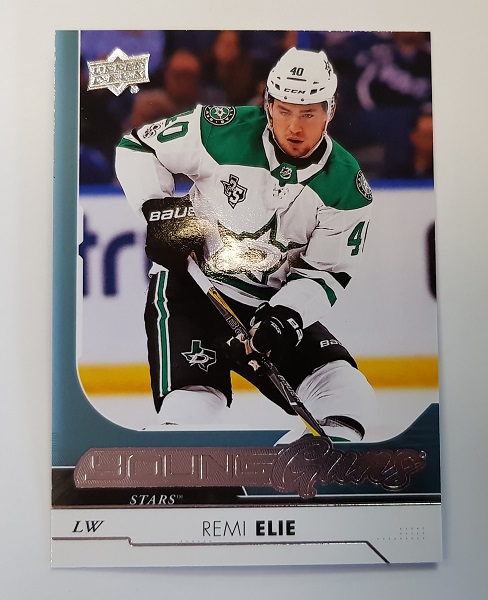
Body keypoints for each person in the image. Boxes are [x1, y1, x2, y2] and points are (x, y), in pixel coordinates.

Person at [115, 47, 376, 441]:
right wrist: (159, 208)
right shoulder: (219, 131)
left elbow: (326, 272)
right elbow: (139, 147)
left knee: (346, 390)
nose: (294, 127)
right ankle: (174, 456)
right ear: (268, 104)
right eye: (284, 111)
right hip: (192, 288)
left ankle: (316, 465)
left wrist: (284, 318)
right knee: (196, 400)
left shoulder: (347, 187)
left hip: (268, 303)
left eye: (308, 113)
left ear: (330, 110)